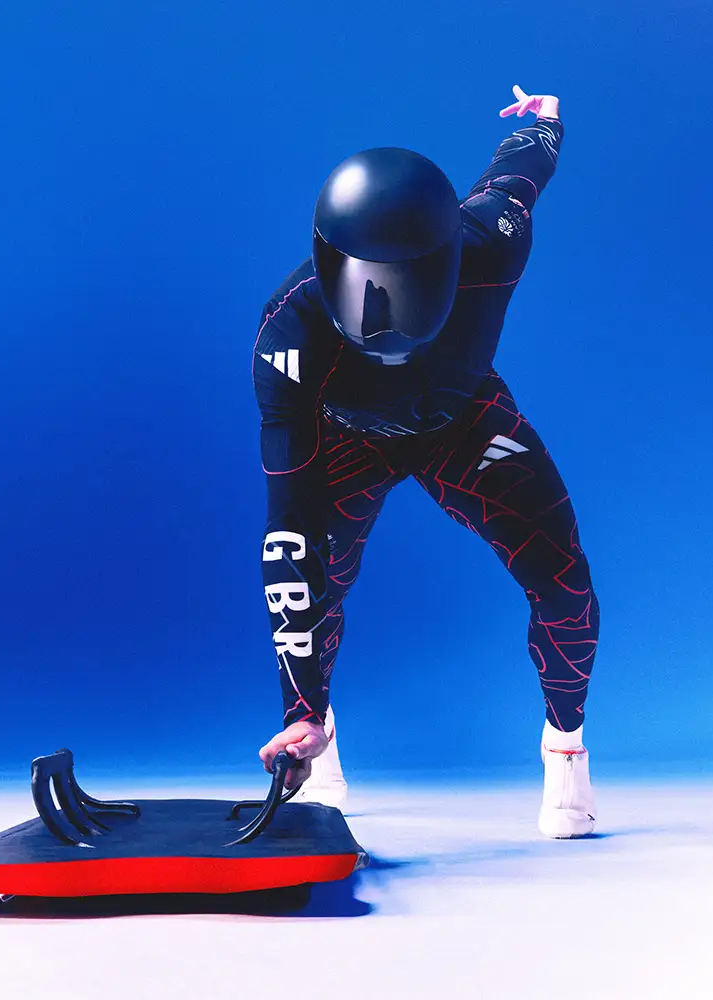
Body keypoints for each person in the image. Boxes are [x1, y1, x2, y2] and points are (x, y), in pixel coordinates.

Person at [252, 86, 598, 838]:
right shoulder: (290, 333)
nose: (383, 311)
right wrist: (300, 710)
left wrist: (545, 119)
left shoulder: (492, 238)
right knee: (320, 579)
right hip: (346, 438)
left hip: (460, 418)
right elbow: (288, 532)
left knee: (565, 583)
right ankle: (321, 732)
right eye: (364, 282)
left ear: (448, 260)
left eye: (408, 281)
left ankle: (565, 746)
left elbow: (520, 171)